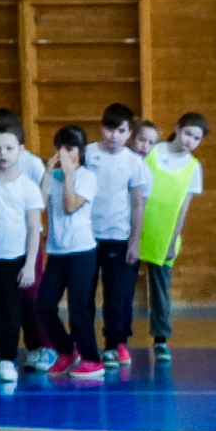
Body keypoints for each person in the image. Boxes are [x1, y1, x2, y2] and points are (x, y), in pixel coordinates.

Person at [83, 103, 150, 368]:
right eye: (109, 129)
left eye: (120, 130)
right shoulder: (87, 154)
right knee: (83, 295)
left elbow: (137, 204)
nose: (114, 135)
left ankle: (116, 343)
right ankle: (84, 343)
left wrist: (134, 241)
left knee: (117, 295)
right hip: (85, 238)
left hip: (118, 237)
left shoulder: (134, 163)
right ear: (101, 128)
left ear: (129, 133)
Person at [137, 113, 206, 363]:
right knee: (121, 288)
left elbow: (183, 209)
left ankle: (160, 340)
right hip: (136, 231)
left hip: (163, 237)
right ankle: (116, 341)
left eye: (196, 138)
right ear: (177, 129)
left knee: (160, 291)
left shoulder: (193, 167)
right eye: (188, 133)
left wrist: (171, 241)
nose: (190, 140)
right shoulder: (152, 152)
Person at [36, 125, 103, 378]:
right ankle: (66, 351)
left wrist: (69, 175)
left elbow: (70, 205)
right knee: (44, 305)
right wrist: (47, 173)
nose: (63, 153)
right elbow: (39, 204)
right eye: (60, 148)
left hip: (82, 252)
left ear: (81, 152)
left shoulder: (87, 177)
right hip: (57, 252)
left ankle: (92, 358)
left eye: (70, 148)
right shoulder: (54, 178)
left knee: (79, 309)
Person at [0, 122, 42, 382]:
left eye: (9, 148)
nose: (3, 154)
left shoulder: (28, 187)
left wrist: (29, 264)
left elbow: (33, 228)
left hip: (13, 259)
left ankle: (7, 358)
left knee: (10, 310)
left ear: (21, 150)